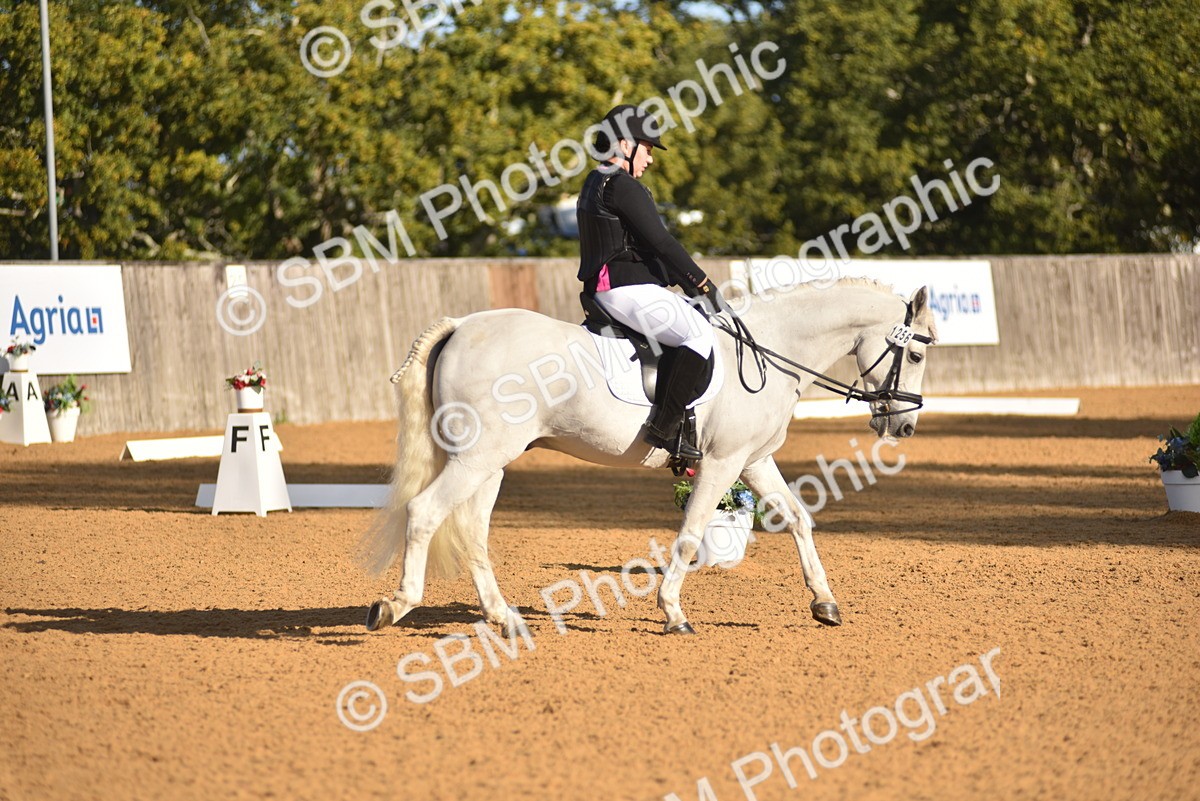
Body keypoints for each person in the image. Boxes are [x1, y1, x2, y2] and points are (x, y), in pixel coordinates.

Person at [575, 104, 729, 462]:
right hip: (623, 287)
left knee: (688, 322)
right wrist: (702, 283)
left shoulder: (596, 179)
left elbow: (642, 248)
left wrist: (685, 284)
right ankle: (665, 429)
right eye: (647, 148)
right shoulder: (621, 184)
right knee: (698, 334)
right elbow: (662, 242)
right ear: (625, 144)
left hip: (612, 287)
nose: (651, 158)